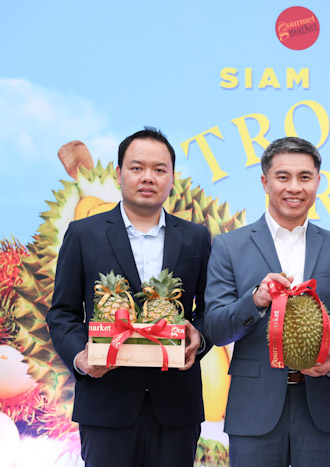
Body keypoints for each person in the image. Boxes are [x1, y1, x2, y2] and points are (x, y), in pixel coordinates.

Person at [46, 127, 212, 466]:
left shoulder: (196, 237)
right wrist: (80, 358)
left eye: (159, 169)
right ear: (119, 173)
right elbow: (62, 312)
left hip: (176, 407)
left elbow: (210, 310)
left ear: (172, 178)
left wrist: (201, 337)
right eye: (137, 168)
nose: (148, 177)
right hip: (106, 403)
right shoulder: (84, 234)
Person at [204, 136, 330, 467]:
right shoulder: (229, 246)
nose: (294, 187)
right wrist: (256, 300)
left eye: (305, 177)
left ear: (318, 182)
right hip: (253, 407)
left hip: (322, 406)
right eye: (283, 177)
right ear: (265, 182)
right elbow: (216, 328)